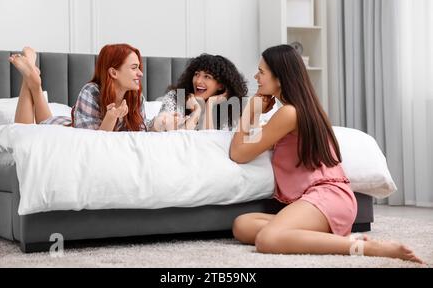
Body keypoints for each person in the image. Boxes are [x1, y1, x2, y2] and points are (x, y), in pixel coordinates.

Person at [229, 44, 423, 264]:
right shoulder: (299, 109)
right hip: (322, 199)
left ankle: (364, 247)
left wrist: (248, 111)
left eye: (261, 72)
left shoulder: (289, 113)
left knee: (267, 239)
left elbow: (239, 153)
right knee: (242, 225)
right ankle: (318, 238)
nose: (256, 77)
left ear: (280, 78)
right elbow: (248, 144)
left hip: (328, 197)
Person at [10, 44, 147, 132]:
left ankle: (34, 82)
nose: (140, 73)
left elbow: (141, 132)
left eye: (139, 68)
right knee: (22, 131)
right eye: (134, 68)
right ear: (113, 72)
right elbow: (88, 142)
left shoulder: (137, 98)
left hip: (64, 123)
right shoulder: (91, 92)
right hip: (62, 131)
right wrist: (111, 117)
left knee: (44, 122)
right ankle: (29, 79)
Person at [152, 54, 248, 131]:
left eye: (207, 77)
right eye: (196, 74)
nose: (198, 81)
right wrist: (196, 111)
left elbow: (208, 142)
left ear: (221, 85)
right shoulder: (175, 97)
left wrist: (209, 105)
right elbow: (175, 137)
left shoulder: (230, 108)